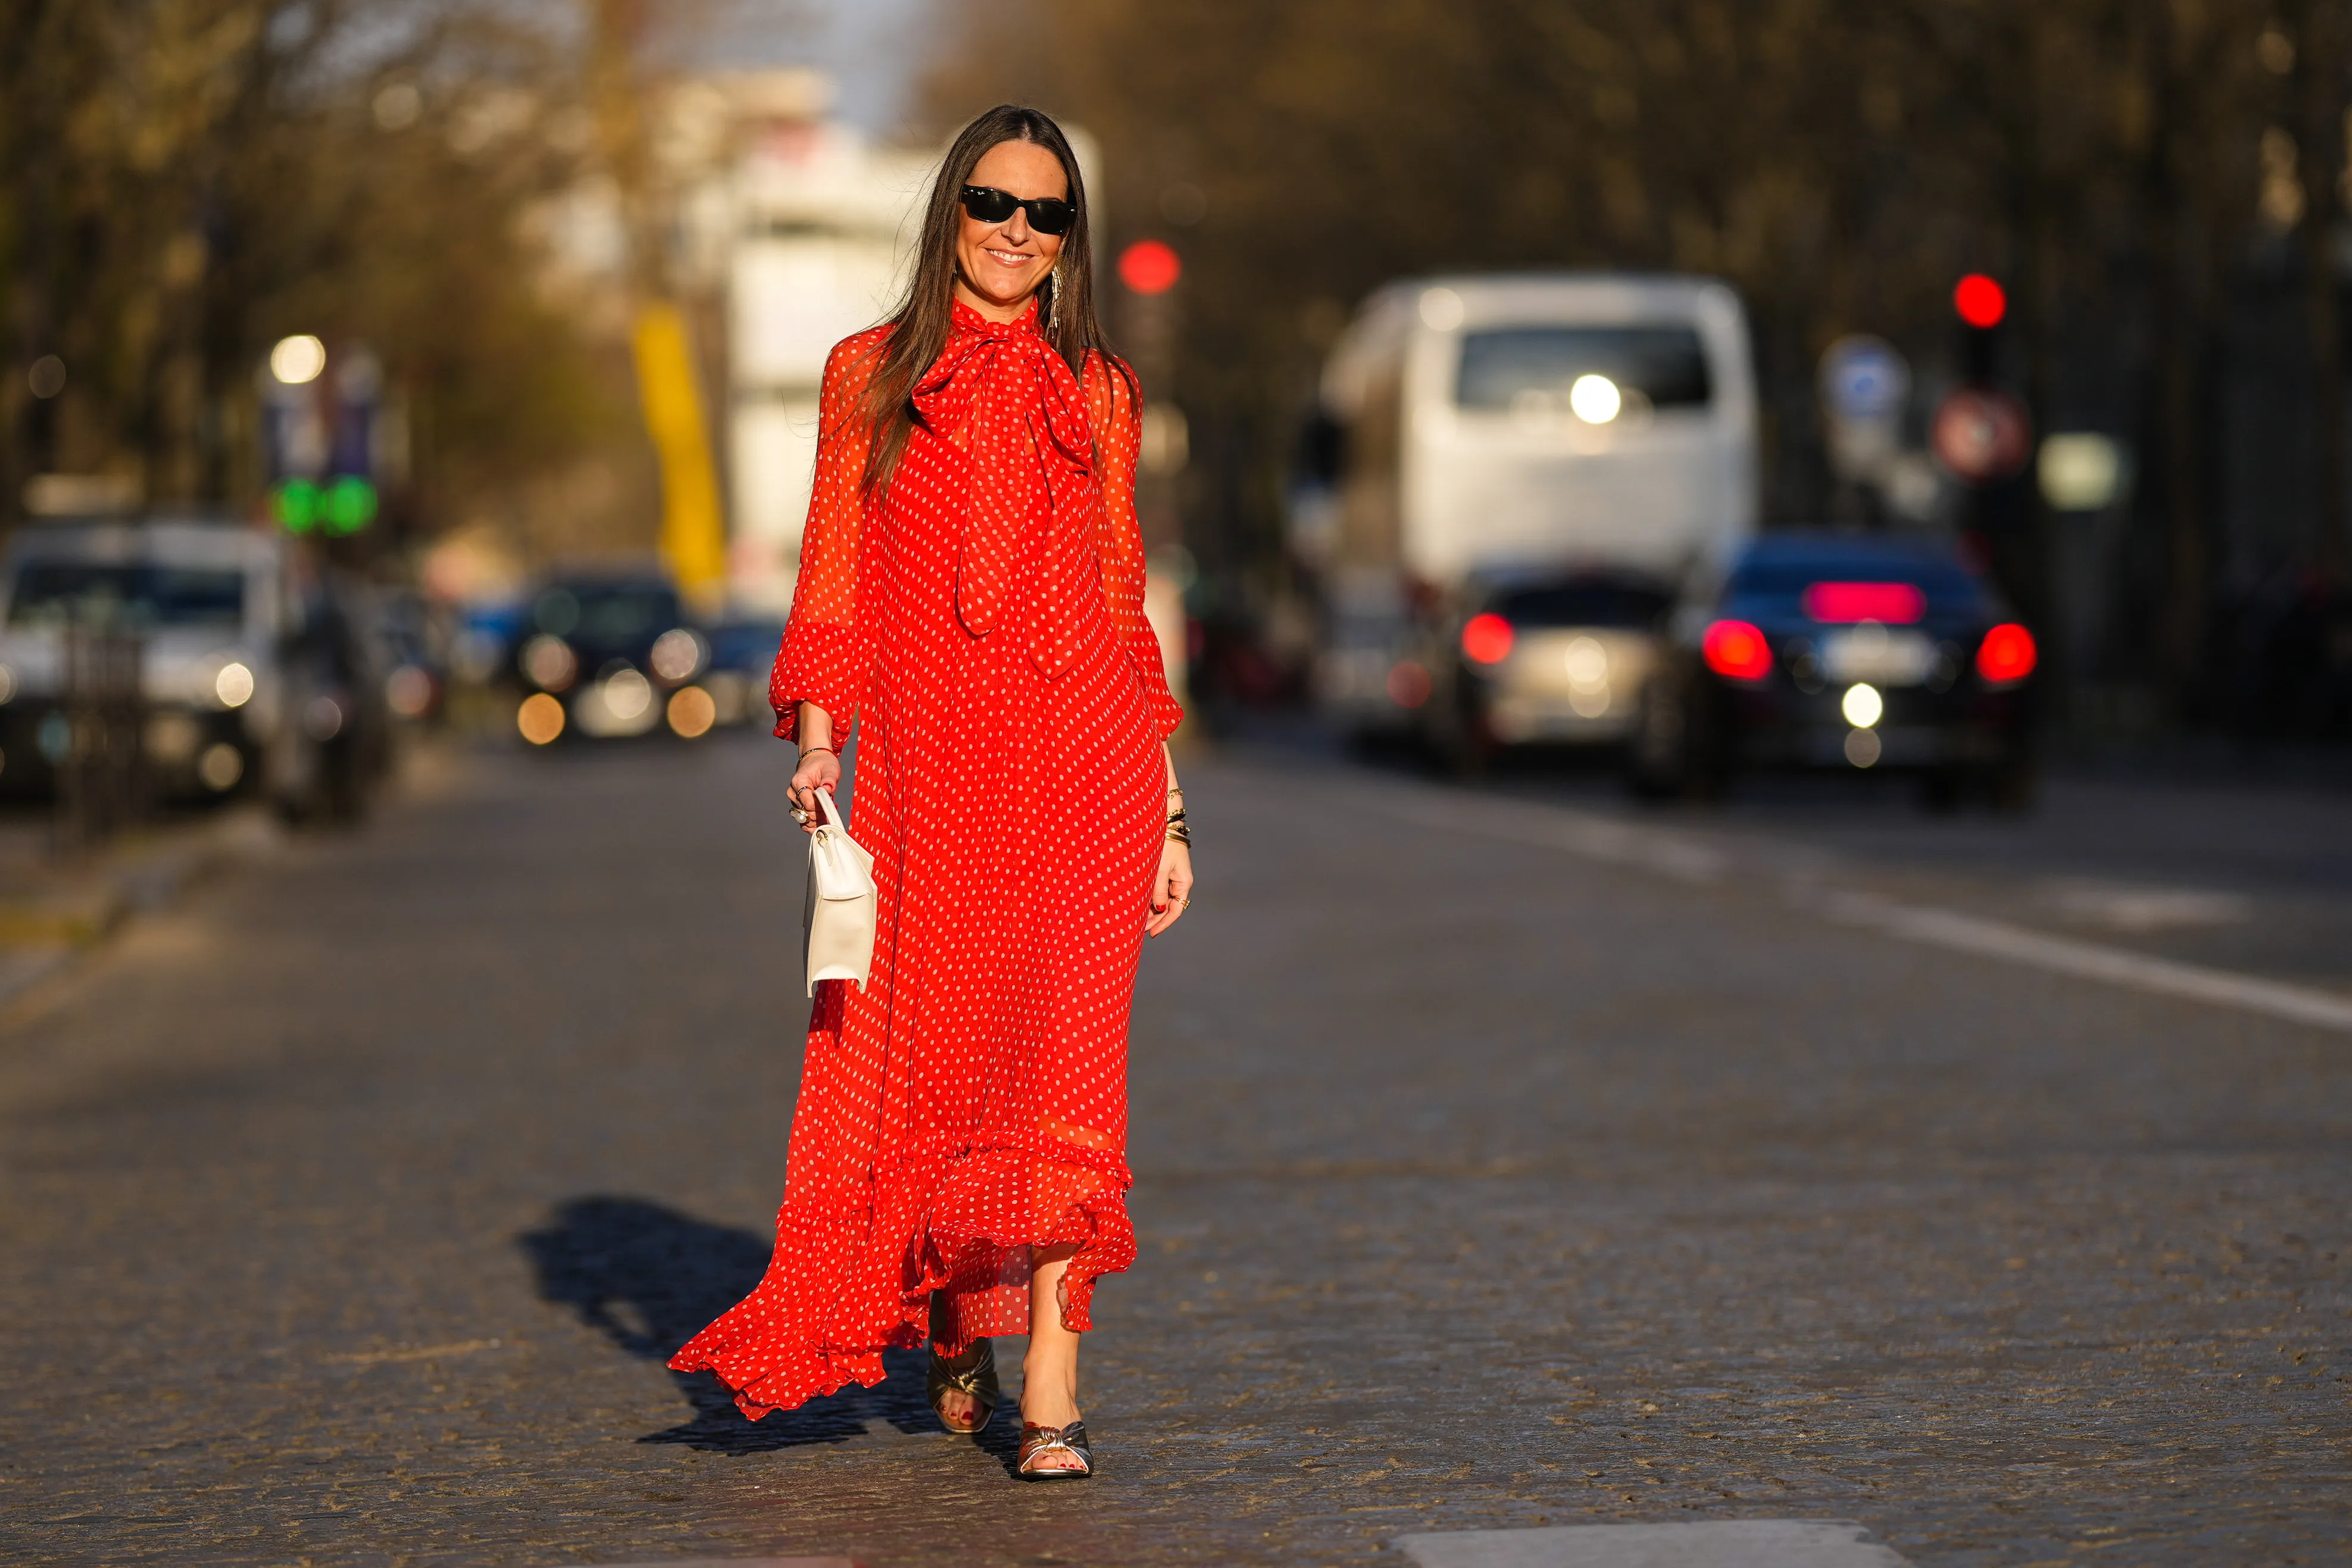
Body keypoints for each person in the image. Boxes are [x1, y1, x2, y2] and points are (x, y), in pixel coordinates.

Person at [667, 104, 1192, 1482]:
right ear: (948, 211)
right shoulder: (866, 378)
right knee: (949, 1070)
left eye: (1047, 214)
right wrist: (820, 743)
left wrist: (1174, 807)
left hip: (1090, 772)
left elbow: (1122, 603)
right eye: (992, 205)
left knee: (1071, 1076)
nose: (1017, 234)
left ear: (1071, 237)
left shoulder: (1103, 392)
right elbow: (832, 580)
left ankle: (1056, 1381)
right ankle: (954, 1318)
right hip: (931, 775)